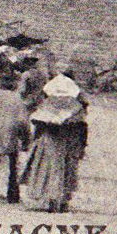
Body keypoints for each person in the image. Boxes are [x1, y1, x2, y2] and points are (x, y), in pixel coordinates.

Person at [21, 75, 87, 212]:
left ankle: (50, 199)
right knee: (66, 171)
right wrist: (80, 147)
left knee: (47, 171)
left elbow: (37, 124)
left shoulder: (46, 105)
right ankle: (61, 201)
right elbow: (81, 128)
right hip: (68, 144)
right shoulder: (76, 107)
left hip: (48, 143)